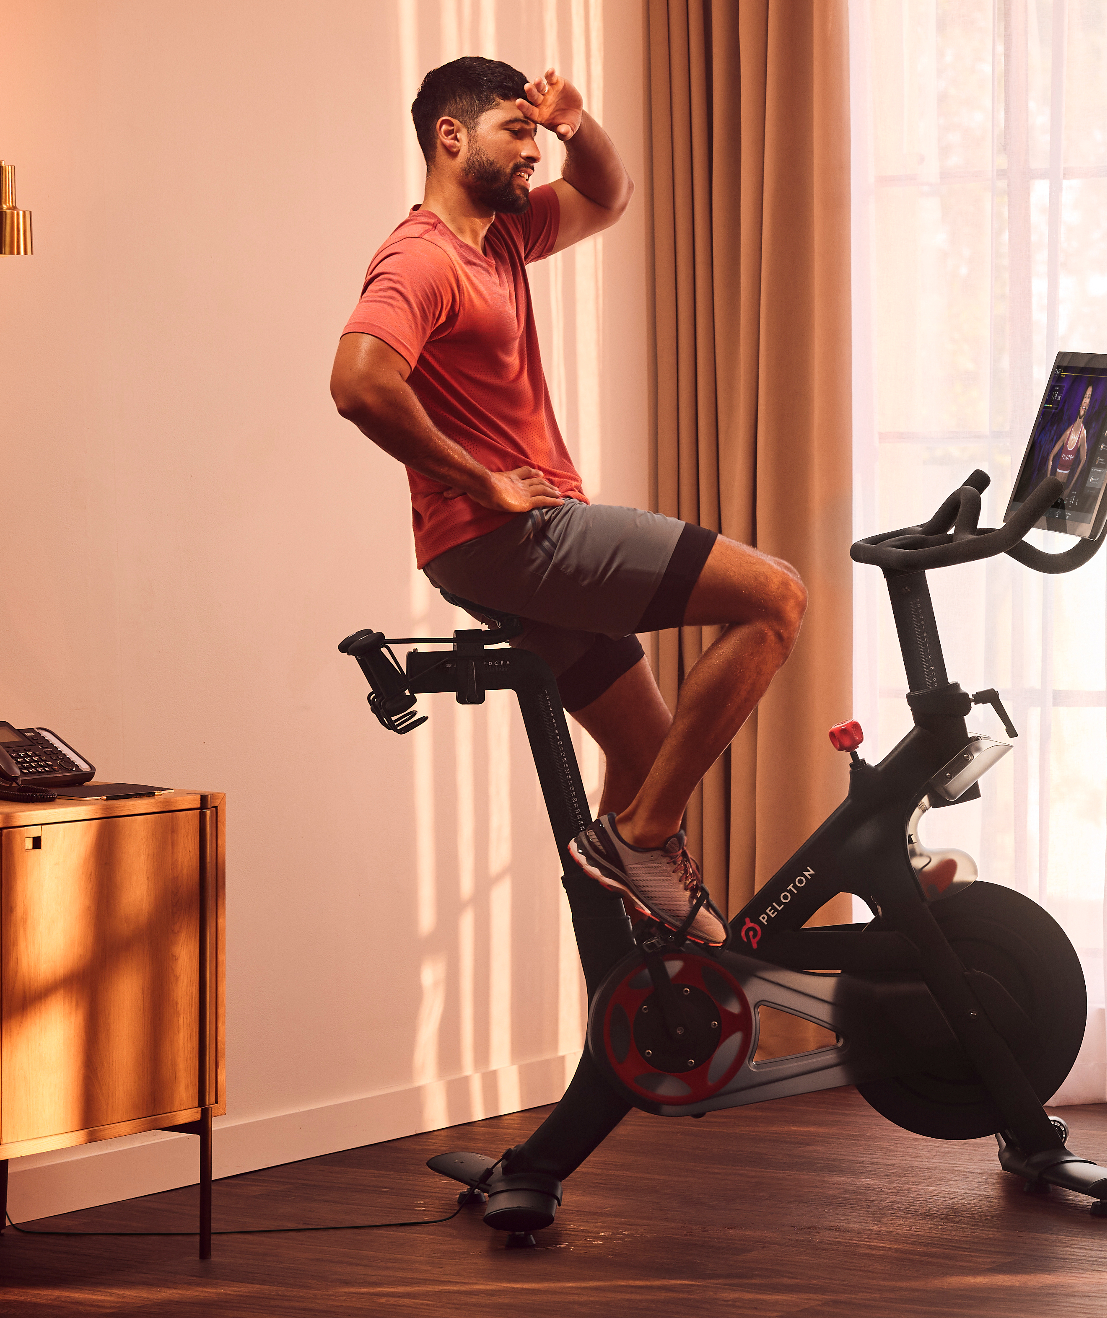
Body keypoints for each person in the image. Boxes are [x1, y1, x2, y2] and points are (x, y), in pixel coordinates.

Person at [331, 57, 805, 947]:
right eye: (517, 132)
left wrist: (574, 124)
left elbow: (608, 194)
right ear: (450, 136)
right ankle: (641, 840)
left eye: (536, 135)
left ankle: (637, 979)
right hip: (512, 537)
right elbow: (358, 382)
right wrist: (481, 479)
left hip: (494, 548)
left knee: (647, 752)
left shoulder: (502, 237)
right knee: (776, 597)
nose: (534, 152)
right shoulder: (422, 258)